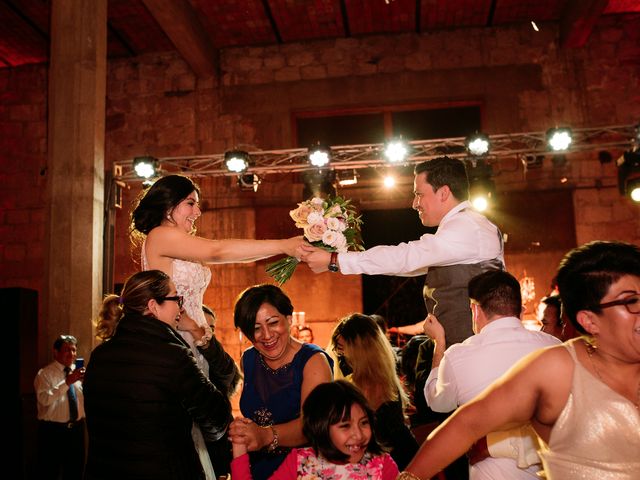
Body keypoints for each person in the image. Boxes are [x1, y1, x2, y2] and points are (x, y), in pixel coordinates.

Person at [400, 241, 640, 480]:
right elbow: (467, 424)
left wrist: (494, 446)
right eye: (631, 302)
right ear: (589, 321)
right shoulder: (559, 365)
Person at [130, 174, 303, 477]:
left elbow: (224, 255)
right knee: (181, 430)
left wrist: (284, 248)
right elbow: (218, 251)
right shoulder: (159, 234)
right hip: (174, 343)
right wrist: (284, 244)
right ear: (168, 204)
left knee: (196, 431)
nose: (197, 213)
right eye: (190, 204)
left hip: (193, 342)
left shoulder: (176, 240)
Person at [300, 157, 504, 346]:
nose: (414, 204)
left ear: (443, 193)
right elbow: (410, 264)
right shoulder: (464, 226)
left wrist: (335, 260)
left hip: (474, 347)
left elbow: (405, 257)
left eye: (419, 194)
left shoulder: (466, 226)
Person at [83, 270, 232, 480]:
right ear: (153, 306)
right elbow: (218, 421)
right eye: (175, 299)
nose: (180, 307)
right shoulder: (173, 356)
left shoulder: (99, 356)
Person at [423, 270, 561, 479]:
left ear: (475, 310)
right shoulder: (554, 347)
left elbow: (438, 402)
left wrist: (438, 344)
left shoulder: (459, 356)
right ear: (519, 308)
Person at [228, 284, 334, 479]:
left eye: (273, 322)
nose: (267, 335)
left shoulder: (313, 361)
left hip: (302, 471)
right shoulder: (249, 359)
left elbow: (313, 426)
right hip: (256, 469)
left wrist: (265, 435)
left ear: (289, 319)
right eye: (255, 328)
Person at [230, 380, 399, 479]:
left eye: (364, 423)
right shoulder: (300, 462)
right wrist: (239, 449)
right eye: (345, 426)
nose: (359, 435)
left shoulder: (382, 465)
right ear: (322, 428)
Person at [330, 313, 419, 470]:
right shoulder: (386, 380)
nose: (342, 356)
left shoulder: (354, 387)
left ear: (359, 349)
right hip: (402, 461)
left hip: (394, 465)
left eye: (343, 349)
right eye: (338, 350)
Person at [34, 334, 86, 480]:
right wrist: (67, 382)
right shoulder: (45, 374)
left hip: (77, 429)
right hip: (53, 431)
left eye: (74, 350)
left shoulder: (79, 372)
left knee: (76, 471)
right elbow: (44, 399)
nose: (72, 354)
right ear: (55, 352)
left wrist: (87, 384)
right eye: (67, 350)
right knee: (49, 471)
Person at [202, 304, 242, 479]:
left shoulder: (216, 357)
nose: (206, 333)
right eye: (201, 326)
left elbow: (229, 374)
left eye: (211, 328)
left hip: (217, 443)